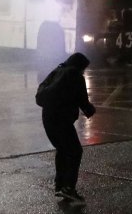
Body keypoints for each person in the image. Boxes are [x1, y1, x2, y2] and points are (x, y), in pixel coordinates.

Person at [39, 52, 97, 202]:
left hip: (48, 119)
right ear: (79, 66)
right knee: (75, 151)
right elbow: (83, 101)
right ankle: (69, 188)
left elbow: (40, 93)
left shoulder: (56, 71)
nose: (83, 71)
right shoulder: (76, 77)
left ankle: (59, 186)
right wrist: (91, 110)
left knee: (63, 150)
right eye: (83, 68)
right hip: (62, 121)